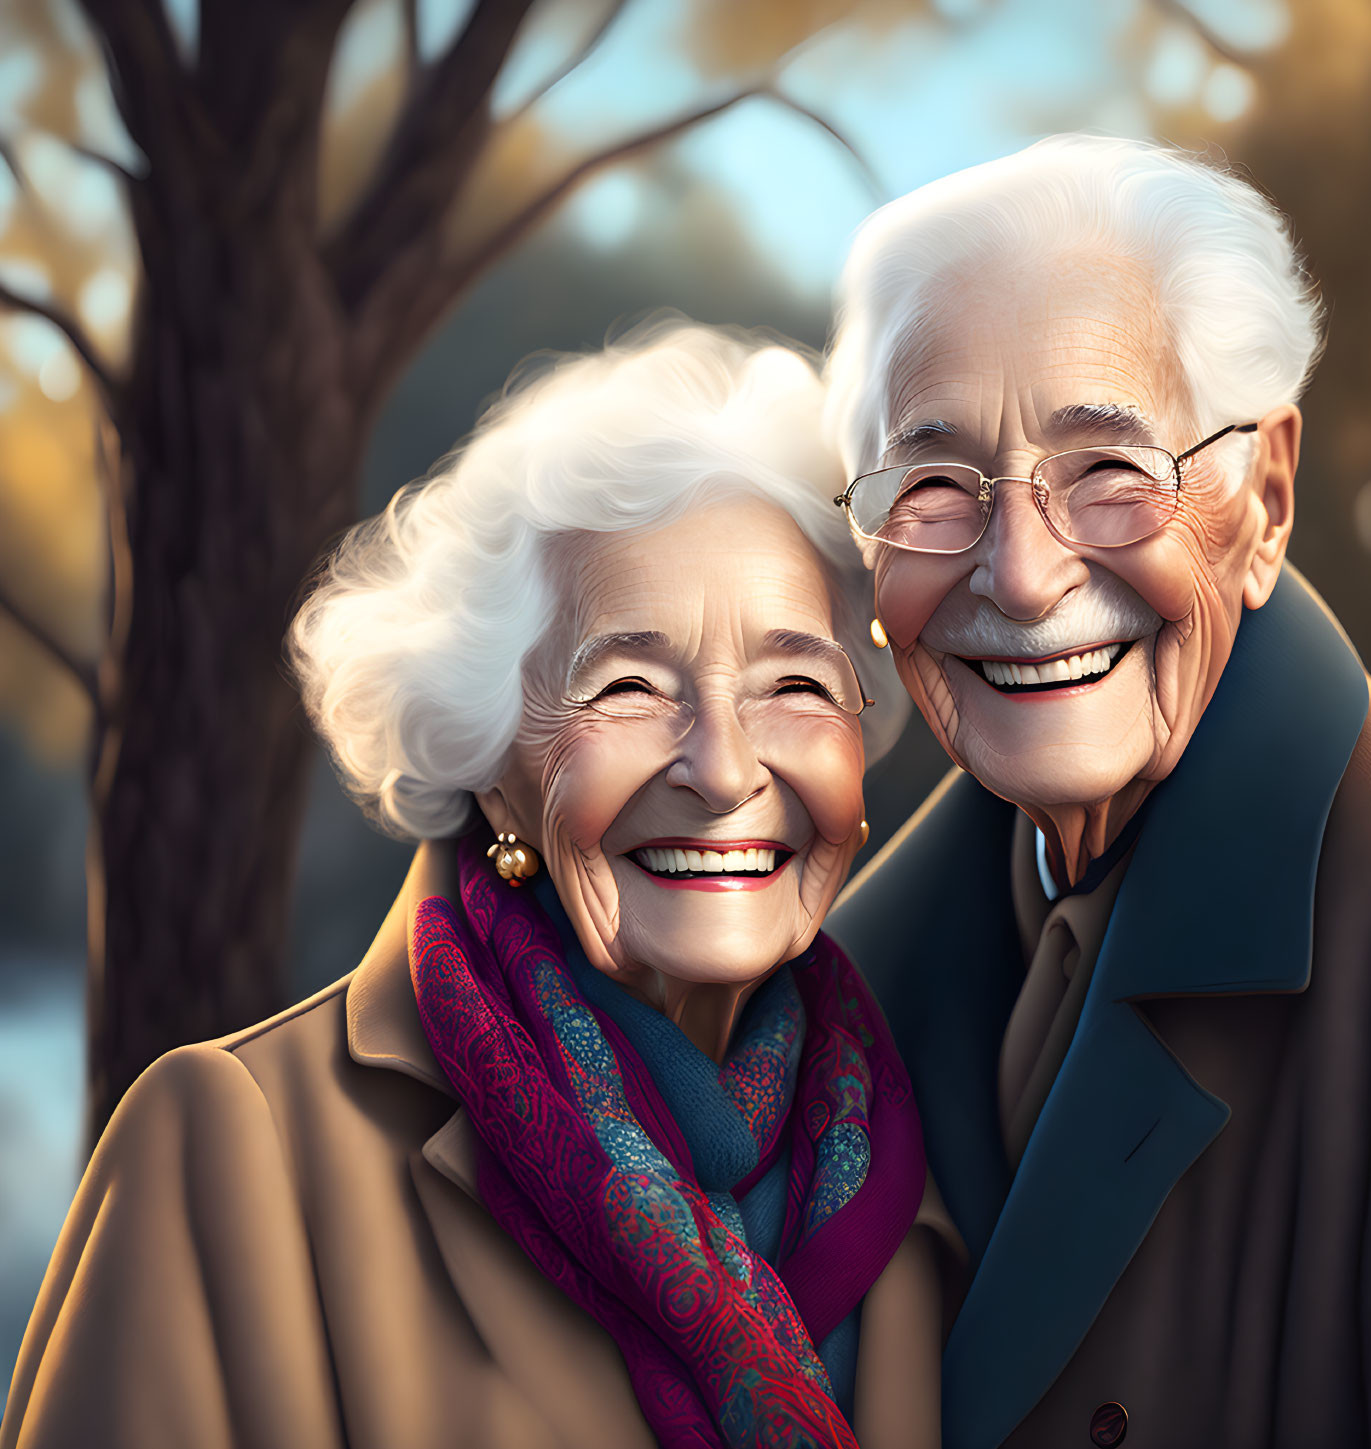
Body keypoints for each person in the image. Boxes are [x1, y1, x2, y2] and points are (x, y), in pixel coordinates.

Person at [1, 321, 962, 1449]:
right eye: (627, 689)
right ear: (492, 769)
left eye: (793, 683)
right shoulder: (232, 1151)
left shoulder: (924, 1137)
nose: (724, 768)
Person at [823, 135, 1371, 1449]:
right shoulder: (838, 993)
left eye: (1108, 470)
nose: (1022, 573)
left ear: (1265, 497)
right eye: (933, 488)